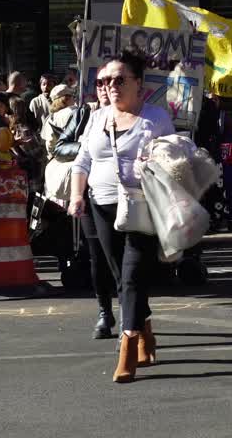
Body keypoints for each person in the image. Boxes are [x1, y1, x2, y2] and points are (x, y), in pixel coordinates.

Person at [68, 53, 176, 384]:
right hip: (101, 205)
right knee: (120, 275)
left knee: (131, 276)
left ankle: (127, 346)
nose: (110, 87)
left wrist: (156, 160)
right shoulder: (97, 117)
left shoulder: (155, 117)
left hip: (142, 208)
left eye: (118, 80)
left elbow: (174, 159)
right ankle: (145, 329)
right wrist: (76, 196)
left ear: (138, 84)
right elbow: (82, 161)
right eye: (102, 82)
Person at [49, 79, 117, 339]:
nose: (105, 88)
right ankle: (104, 311)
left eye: (112, 82)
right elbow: (60, 146)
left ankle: (133, 316)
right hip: (90, 193)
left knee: (121, 256)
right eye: (100, 83)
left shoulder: (137, 116)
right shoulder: (84, 114)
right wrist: (88, 149)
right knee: (97, 254)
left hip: (124, 197)